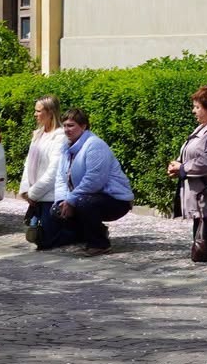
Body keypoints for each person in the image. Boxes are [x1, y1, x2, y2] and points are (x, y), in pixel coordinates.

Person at [33, 108, 134, 252]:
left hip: (115, 199)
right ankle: (87, 234)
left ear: (84, 126)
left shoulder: (95, 145)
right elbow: (61, 179)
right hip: (85, 197)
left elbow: (94, 180)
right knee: (56, 211)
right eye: (65, 126)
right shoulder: (66, 148)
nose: (67, 129)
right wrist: (62, 200)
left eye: (71, 125)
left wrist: (71, 200)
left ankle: (99, 243)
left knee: (83, 203)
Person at [169, 86, 207, 261]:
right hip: (199, 192)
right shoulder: (203, 127)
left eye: (197, 107)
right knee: (201, 232)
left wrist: (182, 168)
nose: (194, 111)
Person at [18, 95, 68, 234]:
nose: (35, 114)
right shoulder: (38, 135)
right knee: (37, 235)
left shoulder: (59, 137)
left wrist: (33, 194)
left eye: (39, 111)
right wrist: (25, 191)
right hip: (36, 196)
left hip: (49, 196)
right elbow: (28, 165)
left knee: (46, 238)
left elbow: (53, 171)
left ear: (50, 112)